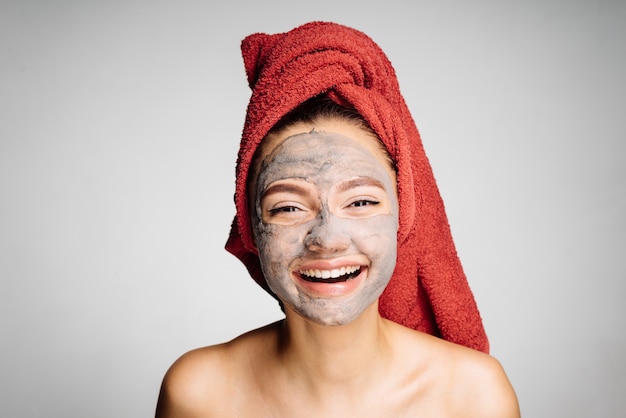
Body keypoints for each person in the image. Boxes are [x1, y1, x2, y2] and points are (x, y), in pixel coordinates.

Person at [156, 22, 520, 417]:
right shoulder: (198, 393)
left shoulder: (473, 395)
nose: (327, 239)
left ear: (404, 214)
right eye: (288, 207)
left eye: (361, 202)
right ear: (250, 228)